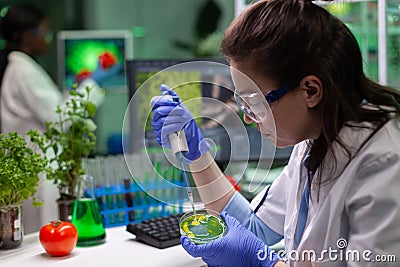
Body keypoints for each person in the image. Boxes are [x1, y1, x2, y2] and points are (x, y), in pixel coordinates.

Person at [151, 0, 400, 266]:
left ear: (311, 91)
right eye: (243, 102)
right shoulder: (315, 139)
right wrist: (197, 155)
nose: (247, 118)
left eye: (254, 102)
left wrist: (261, 262)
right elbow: (253, 228)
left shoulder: (385, 162)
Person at [0, 3, 118, 234]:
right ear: (27, 35)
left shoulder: (22, 68)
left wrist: (77, 87)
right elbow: (60, 121)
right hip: (39, 172)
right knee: (45, 238)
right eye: (46, 32)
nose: (48, 39)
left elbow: (52, 109)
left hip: (37, 169)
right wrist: (93, 83)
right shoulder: (23, 70)